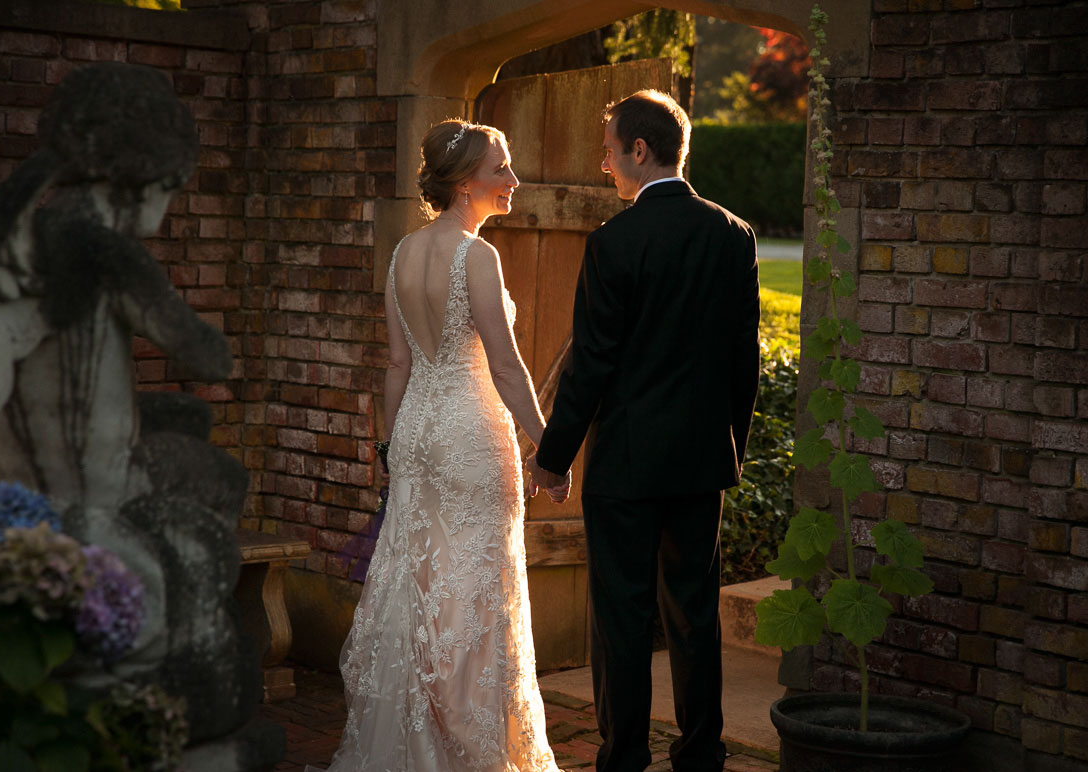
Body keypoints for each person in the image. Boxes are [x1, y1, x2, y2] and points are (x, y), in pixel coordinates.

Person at [313, 120, 568, 772]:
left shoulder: (402, 253)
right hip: (470, 436)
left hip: (419, 435)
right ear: (463, 182)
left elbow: (397, 365)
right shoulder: (475, 257)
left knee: (422, 592)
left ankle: (413, 744)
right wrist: (550, 446)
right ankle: (471, 752)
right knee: (477, 594)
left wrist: (391, 449)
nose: (513, 181)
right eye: (501, 170)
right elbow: (507, 371)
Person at [528, 90, 761, 772]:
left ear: (639, 150)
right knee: (696, 616)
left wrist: (553, 457)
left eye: (607, 150)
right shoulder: (734, 234)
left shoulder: (613, 242)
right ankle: (700, 755)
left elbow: (592, 364)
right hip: (699, 463)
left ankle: (624, 758)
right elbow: (740, 360)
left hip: (626, 467)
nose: (603, 165)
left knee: (622, 618)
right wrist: (731, 451)